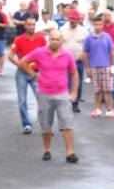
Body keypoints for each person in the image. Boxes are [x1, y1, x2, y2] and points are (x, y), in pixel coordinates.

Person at [18, 30, 79, 163]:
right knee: (45, 123)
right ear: (48, 40)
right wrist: (33, 74)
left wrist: (74, 93)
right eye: (52, 39)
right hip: (44, 94)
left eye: (57, 39)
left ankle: (70, 152)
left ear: (61, 41)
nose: (55, 42)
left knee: (67, 123)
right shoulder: (40, 52)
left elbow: (74, 73)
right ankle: (47, 150)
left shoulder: (67, 55)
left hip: (62, 94)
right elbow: (22, 62)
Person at [8, 15, 46, 134]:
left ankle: (45, 124)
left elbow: (47, 54)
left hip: (36, 73)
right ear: (25, 26)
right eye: (29, 24)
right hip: (22, 74)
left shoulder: (41, 39)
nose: (31, 27)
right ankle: (26, 124)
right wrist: (19, 64)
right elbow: (10, 56)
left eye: (33, 24)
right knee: (22, 100)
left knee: (42, 100)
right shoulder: (19, 39)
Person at [82, 15, 114, 118]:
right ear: (93, 25)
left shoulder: (107, 37)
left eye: (100, 24)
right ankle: (97, 109)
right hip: (94, 66)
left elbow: (111, 52)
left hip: (106, 66)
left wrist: (112, 65)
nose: (98, 26)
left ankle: (109, 110)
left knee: (108, 90)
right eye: (96, 24)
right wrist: (87, 68)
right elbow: (85, 53)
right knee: (98, 90)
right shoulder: (89, 38)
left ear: (102, 25)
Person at [60, 9, 88, 113]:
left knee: (78, 82)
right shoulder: (63, 29)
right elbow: (59, 43)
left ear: (78, 20)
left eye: (75, 19)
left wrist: (84, 56)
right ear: (68, 18)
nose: (73, 21)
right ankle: (66, 102)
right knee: (66, 82)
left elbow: (87, 45)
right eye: (71, 19)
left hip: (78, 61)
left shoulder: (83, 30)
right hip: (65, 61)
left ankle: (75, 103)